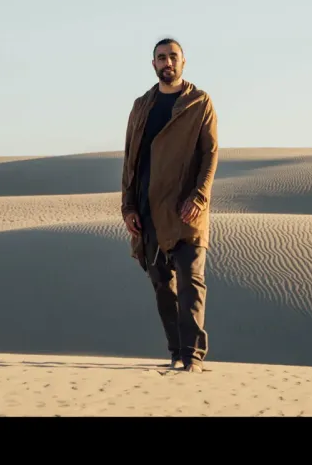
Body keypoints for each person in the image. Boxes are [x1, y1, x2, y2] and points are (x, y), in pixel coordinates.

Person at [121, 37, 219, 373]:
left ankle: (193, 355)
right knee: (163, 285)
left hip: (187, 209)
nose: (168, 63)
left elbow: (210, 154)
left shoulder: (198, 102)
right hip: (148, 209)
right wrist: (128, 206)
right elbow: (130, 159)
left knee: (192, 281)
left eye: (173, 56)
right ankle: (176, 350)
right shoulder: (141, 107)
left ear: (183, 61)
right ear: (153, 64)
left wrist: (199, 196)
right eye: (161, 58)